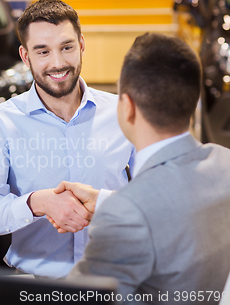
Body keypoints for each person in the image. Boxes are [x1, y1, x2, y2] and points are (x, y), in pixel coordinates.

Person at [0, 0, 135, 278]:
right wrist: (37, 203)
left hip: (117, 279)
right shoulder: (0, 122)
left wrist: (105, 203)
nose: (58, 63)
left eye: (66, 47)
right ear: (25, 56)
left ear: (81, 45)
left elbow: (158, 197)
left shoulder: (124, 113)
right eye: (43, 51)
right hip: (35, 287)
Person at [60, 33, 230, 303]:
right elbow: (172, 204)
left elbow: (81, 298)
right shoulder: (224, 163)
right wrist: (104, 200)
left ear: (127, 107)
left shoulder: (125, 213)